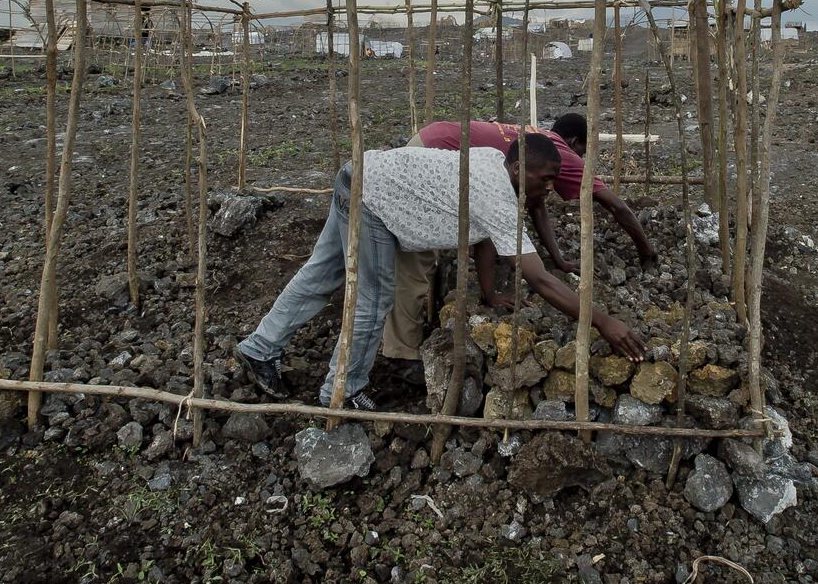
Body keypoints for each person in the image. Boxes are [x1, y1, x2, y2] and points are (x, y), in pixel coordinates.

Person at [234, 134, 645, 409]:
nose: (551, 188)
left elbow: (484, 237)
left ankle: (259, 348)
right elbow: (538, 278)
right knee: (373, 300)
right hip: (372, 200)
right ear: (520, 170)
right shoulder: (497, 195)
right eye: (547, 179)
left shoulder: (495, 163)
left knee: (321, 276)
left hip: (357, 175)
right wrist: (602, 321)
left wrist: (488, 293)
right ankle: (342, 391)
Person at [379, 112, 657, 368]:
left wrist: (558, 260)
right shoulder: (563, 157)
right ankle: (401, 354)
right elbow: (616, 206)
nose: (580, 160)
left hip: (436, 138)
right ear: (573, 142)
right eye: (582, 152)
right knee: (417, 256)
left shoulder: (539, 146)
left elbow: (535, 207)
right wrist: (647, 253)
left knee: (432, 245)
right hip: (434, 153)